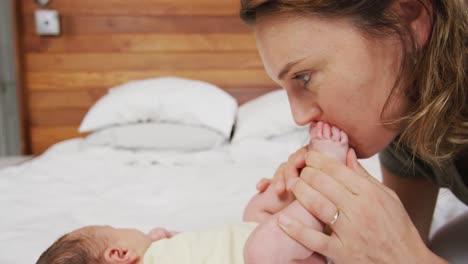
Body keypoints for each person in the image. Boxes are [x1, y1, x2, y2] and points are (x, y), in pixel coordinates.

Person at [239, 0, 467, 263]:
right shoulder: (401, 112)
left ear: (409, 15)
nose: (299, 117)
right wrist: (312, 221)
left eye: (304, 77)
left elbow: (405, 253)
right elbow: (401, 239)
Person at [36, 123, 348, 264]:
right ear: (120, 254)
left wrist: (164, 239)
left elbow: (202, 251)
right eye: (116, 230)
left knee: (253, 211)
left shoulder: (159, 249)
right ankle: (322, 184)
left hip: (276, 249)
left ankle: (299, 185)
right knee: (261, 248)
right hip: (268, 257)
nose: (130, 229)